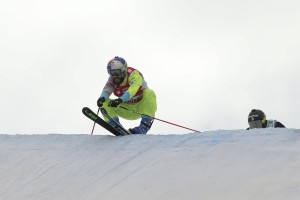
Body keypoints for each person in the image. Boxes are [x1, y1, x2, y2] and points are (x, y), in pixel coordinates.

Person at [96, 56, 157, 134]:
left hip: (141, 108)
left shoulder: (134, 75)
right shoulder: (113, 79)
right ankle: (116, 126)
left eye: (116, 73)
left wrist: (120, 100)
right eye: (111, 73)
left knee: (150, 93)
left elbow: (132, 90)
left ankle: (143, 128)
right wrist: (102, 99)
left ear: (123, 70)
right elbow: (107, 90)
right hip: (127, 109)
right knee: (104, 102)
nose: (114, 76)